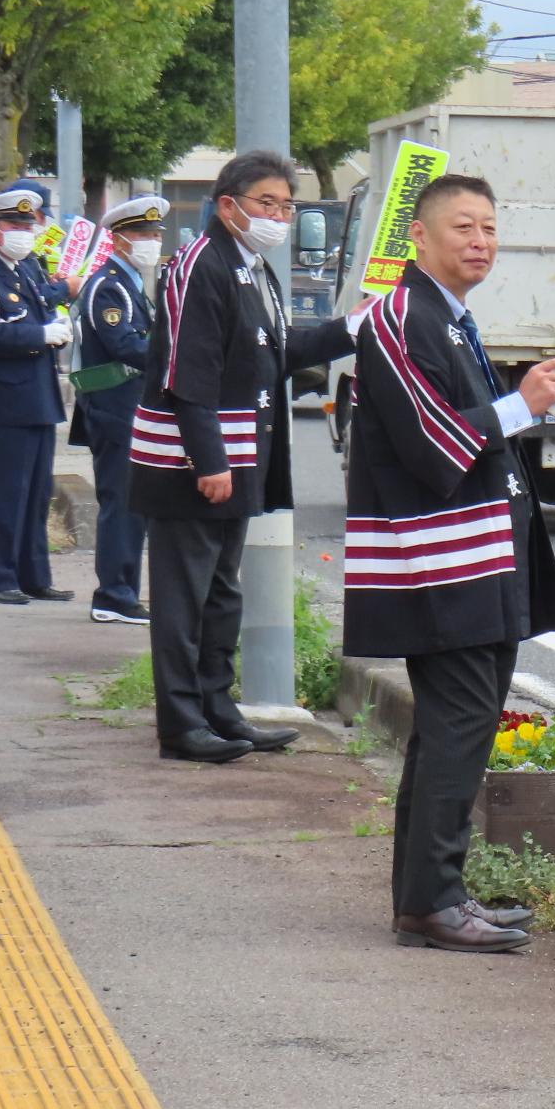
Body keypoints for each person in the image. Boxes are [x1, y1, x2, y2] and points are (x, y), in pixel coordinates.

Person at [339, 173, 555, 952]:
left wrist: (519, 406)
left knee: (451, 729)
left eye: (489, 228)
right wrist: (521, 404)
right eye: (464, 227)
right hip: (443, 558)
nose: (480, 242)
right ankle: (435, 899)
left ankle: (429, 897)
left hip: (472, 551)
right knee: (459, 727)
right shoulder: (401, 318)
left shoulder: (446, 316)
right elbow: (432, 444)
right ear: (420, 235)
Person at [129, 150, 353, 763]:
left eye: (287, 206)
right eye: (267, 204)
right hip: (190, 463)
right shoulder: (199, 265)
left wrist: (349, 329)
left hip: (237, 455)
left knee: (222, 594)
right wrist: (209, 461)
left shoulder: (253, 267)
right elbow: (188, 374)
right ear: (228, 205)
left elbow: (277, 350)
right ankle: (181, 724)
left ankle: (218, 709)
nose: (278, 217)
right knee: (183, 600)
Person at [0, 187, 75, 606]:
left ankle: (34, 575)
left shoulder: (24, 271)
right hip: (4, 400)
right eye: (15, 225)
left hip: (37, 396)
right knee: (7, 493)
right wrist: (40, 335)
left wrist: (57, 331)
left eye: (28, 225)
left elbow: (40, 314)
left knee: (37, 494)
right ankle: (2, 577)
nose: (24, 233)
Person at [73, 196, 166, 626]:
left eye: (155, 234)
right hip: (114, 407)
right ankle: (112, 595)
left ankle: (123, 590)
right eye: (142, 234)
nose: (151, 242)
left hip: (129, 406)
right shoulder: (108, 286)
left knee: (132, 504)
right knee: (121, 504)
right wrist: (173, 355)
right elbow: (124, 344)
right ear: (119, 238)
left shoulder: (128, 284)